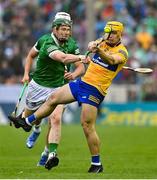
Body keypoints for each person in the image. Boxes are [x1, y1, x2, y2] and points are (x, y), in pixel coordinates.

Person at [9, 21, 128, 173]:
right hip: (81, 83)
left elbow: (112, 60)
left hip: (95, 90)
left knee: (87, 126)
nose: (110, 36)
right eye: (108, 33)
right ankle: (27, 122)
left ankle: (96, 164)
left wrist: (99, 51)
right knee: (53, 98)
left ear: (120, 34)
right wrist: (93, 44)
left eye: (114, 34)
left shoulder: (122, 52)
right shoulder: (103, 40)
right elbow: (94, 43)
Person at [10, 12, 85, 166]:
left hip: (59, 87)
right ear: (55, 28)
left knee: (55, 120)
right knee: (31, 116)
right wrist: (26, 74)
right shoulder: (45, 41)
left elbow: (81, 68)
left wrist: (74, 74)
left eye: (68, 29)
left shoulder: (71, 43)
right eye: (63, 29)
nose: (66, 32)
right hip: (38, 86)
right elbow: (32, 56)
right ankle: (36, 129)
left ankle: (50, 154)